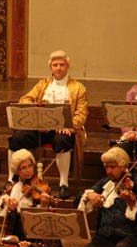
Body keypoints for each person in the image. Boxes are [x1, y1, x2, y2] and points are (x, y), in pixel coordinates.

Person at [6, 50, 87, 200]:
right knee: (16, 139)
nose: (58, 68)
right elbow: (25, 99)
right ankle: (12, 179)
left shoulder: (78, 88)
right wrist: (38, 118)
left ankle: (64, 183)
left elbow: (81, 114)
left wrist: (67, 125)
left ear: (67, 66)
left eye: (62, 65)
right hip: (40, 128)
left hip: (61, 129)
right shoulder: (43, 84)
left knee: (63, 140)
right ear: (50, 67)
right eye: (55, 65)